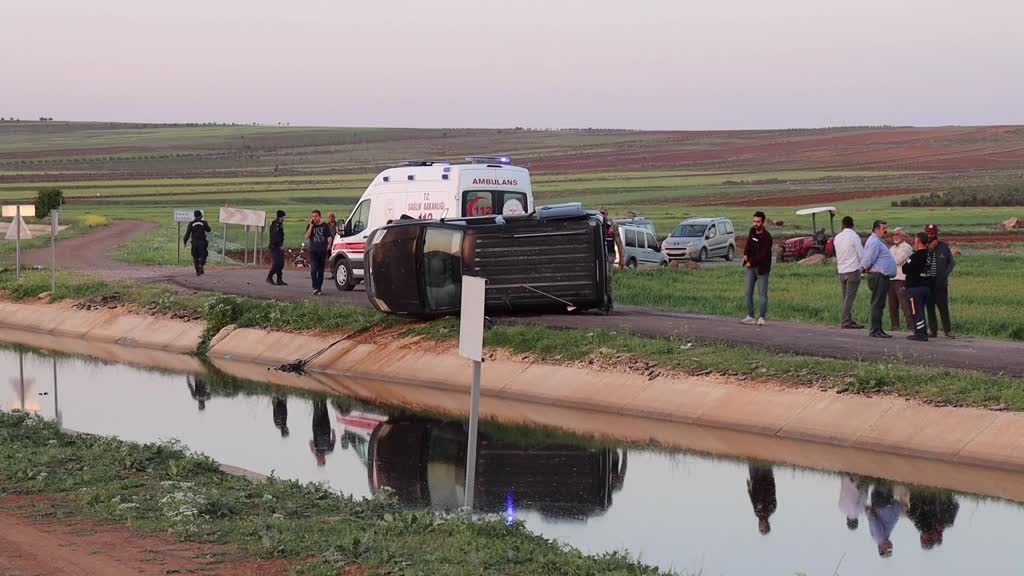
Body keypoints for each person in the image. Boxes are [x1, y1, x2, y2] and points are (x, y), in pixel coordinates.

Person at [861, 220, 897, 338]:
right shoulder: (874, 242)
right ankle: (875, 330)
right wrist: (865, 268)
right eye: (883, 228)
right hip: (878, 276)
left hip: (881, 277)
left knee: (879, 304)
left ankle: (878, 329)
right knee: (877, 303)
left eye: (886, 228)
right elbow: (868, 259)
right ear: (876, 229)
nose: (885, 230)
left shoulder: (878, 241)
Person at [741, 211, 773, 326]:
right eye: (754, 221)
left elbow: (763, 255)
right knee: (748, 292)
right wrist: (745, 254)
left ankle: (762, 317)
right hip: (750, 267)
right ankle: (750, 316)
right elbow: (748, 244)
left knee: (762, 294)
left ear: (763, 222)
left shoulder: (767, 237)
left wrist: (751, 262)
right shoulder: (752, 231)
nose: (755, 224)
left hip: (762, 269)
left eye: (758, 222)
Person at [925, 224, 956, 339]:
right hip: (928, 283)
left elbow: (952, 263)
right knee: (930, 308)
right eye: (928, 233)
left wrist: (944, 275)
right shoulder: (923, 246)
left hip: (941, 284)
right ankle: (933, 331)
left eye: (932, 233)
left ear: (936, 233)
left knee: (943, 308)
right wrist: (929, 249)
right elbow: (920, 260)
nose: (930, 235)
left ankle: (948, 331)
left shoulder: (944, 246)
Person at [833, 216, 865, 329]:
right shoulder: (854, 236)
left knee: (845, 297)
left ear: (842, 224)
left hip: (841, 270)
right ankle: (845, 321)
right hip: (852, 270)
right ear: (853, 224)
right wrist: (864, 266)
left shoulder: (837, 237)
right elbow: (861, 254)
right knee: (850, 298)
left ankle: (849, 319)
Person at [903, 232, 932, 341]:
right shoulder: (930, 255)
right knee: (921, 310)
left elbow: (905, 269)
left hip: (915, 288)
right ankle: (923, 331)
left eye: (915, 241)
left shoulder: (915, 256)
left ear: (918, 241)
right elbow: (933, 272)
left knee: (916, 311)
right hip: (926, 287)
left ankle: (919, 333)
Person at [887, 227, 914, 331]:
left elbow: (898, 260)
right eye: (894, 234)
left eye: (898, 234)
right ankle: (895, 326)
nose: (895, 236)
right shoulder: (892, 248)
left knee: (905, 304)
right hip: (891, 278)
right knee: (892, 305)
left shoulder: (906, 247)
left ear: (903, 236)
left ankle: (911, 326)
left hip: (902, 279)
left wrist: (889, 259)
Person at [866, 482, 902, 558]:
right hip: (885, 501)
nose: (891, 548)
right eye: (891, 551)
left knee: (882, 479)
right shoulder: (884, 537)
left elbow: (873, 521)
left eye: (888, 551)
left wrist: (870, 511)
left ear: (882, 549)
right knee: (886, 478)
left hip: (881, 501)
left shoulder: (879, 537)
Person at [305, 210, 333, 295]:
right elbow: (307, 236)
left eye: (316, 216)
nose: (314, 218)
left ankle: (319, 288)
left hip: (322, 250)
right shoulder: (311, 226)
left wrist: (329, 245)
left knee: (320, 271)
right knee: (313, 269)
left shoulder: (325, 226)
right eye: (313, 216)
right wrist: (311, 226)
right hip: (313, 251)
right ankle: (315, 287)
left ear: (320, 216)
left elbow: (329, 236)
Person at [747, 464, 777, 535]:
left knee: (751, 458)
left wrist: (749, 489)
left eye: (760, 527)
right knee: (764, 459)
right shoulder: (771, 508)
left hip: (754, 478)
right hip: (765, 476)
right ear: (767, 524)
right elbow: (771, 489)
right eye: (764, 526)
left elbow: (753, 499)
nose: (761, 525)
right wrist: (762, 504)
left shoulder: (757, 512)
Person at [182, 210, 211, 276]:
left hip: (194, 243)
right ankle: (201, 264)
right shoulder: (204, 222)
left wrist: (185, 242)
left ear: (194, 216)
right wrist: (205, 225)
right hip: (202, 242)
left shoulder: (191, 223)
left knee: (195, 256)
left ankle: (197, 271)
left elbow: (187, 234)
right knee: (203, 255)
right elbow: (209, 230)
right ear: (201, 215)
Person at [309, 398, 336, 467]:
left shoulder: (314, 451)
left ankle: (315, 396)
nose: (319, 459)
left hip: (316, 428)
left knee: (316, 409)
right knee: (324, 409)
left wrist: (315, 451)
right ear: (325, 460)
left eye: (319, 461)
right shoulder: (329, 450)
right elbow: (333, 441)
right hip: (326, 427)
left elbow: (310, 441)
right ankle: (322, 397)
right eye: (322, 461)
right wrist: (333, 432)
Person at [266, 210, 287, 286]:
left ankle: (279, 279)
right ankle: (269, 277)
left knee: (281, 263)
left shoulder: (279, 224)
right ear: (281, 217)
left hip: (278, 246)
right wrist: (279, 245)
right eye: (284, 216)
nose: (284, 218)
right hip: (275, 247)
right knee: (277, 263)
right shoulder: (276, 224)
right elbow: (275, 236)